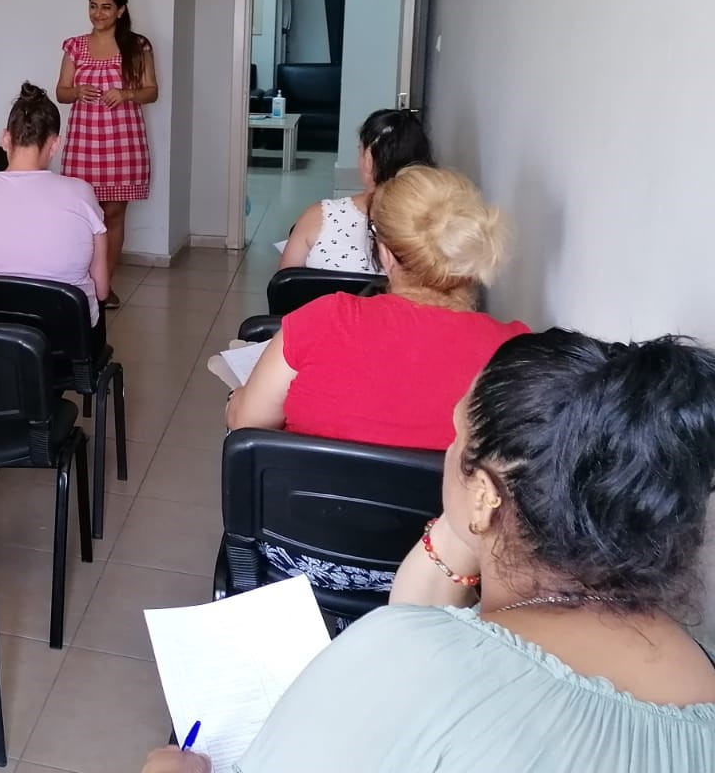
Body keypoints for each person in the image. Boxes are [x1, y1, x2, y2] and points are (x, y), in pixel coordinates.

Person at [234, 331, 715, 771]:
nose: (448, 450)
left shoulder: (406, 657)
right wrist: (475, 514)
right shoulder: (699, 671)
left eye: (455, 435)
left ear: (486, 491)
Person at [228, 166, 528, 450]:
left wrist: (236, 398)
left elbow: (245, 422)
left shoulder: (325, 320)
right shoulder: (518, 357)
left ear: (385, 254)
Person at [0, 82, 109, 327]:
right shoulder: (81, 193)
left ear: (5, 138)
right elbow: (102, 290)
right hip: (63, 335)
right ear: (55, 145)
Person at [55, 0, 158, 308]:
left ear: (121, 11)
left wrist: (126, 94)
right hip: (84, 139)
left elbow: (151, 91)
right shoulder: (75, 46)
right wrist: (77, 92)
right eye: (93, 6)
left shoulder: (137, 46)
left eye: (106, 7)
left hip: (123, 138)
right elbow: (61, 92)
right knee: (83, 213)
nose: (98, 13)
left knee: (113, 213)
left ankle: (104, 286)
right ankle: (78, 283)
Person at [278, 108, 433, 271]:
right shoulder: (437, 231)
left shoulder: (319, 217)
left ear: (368, 160)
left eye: (360, 149)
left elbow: (283, 282)